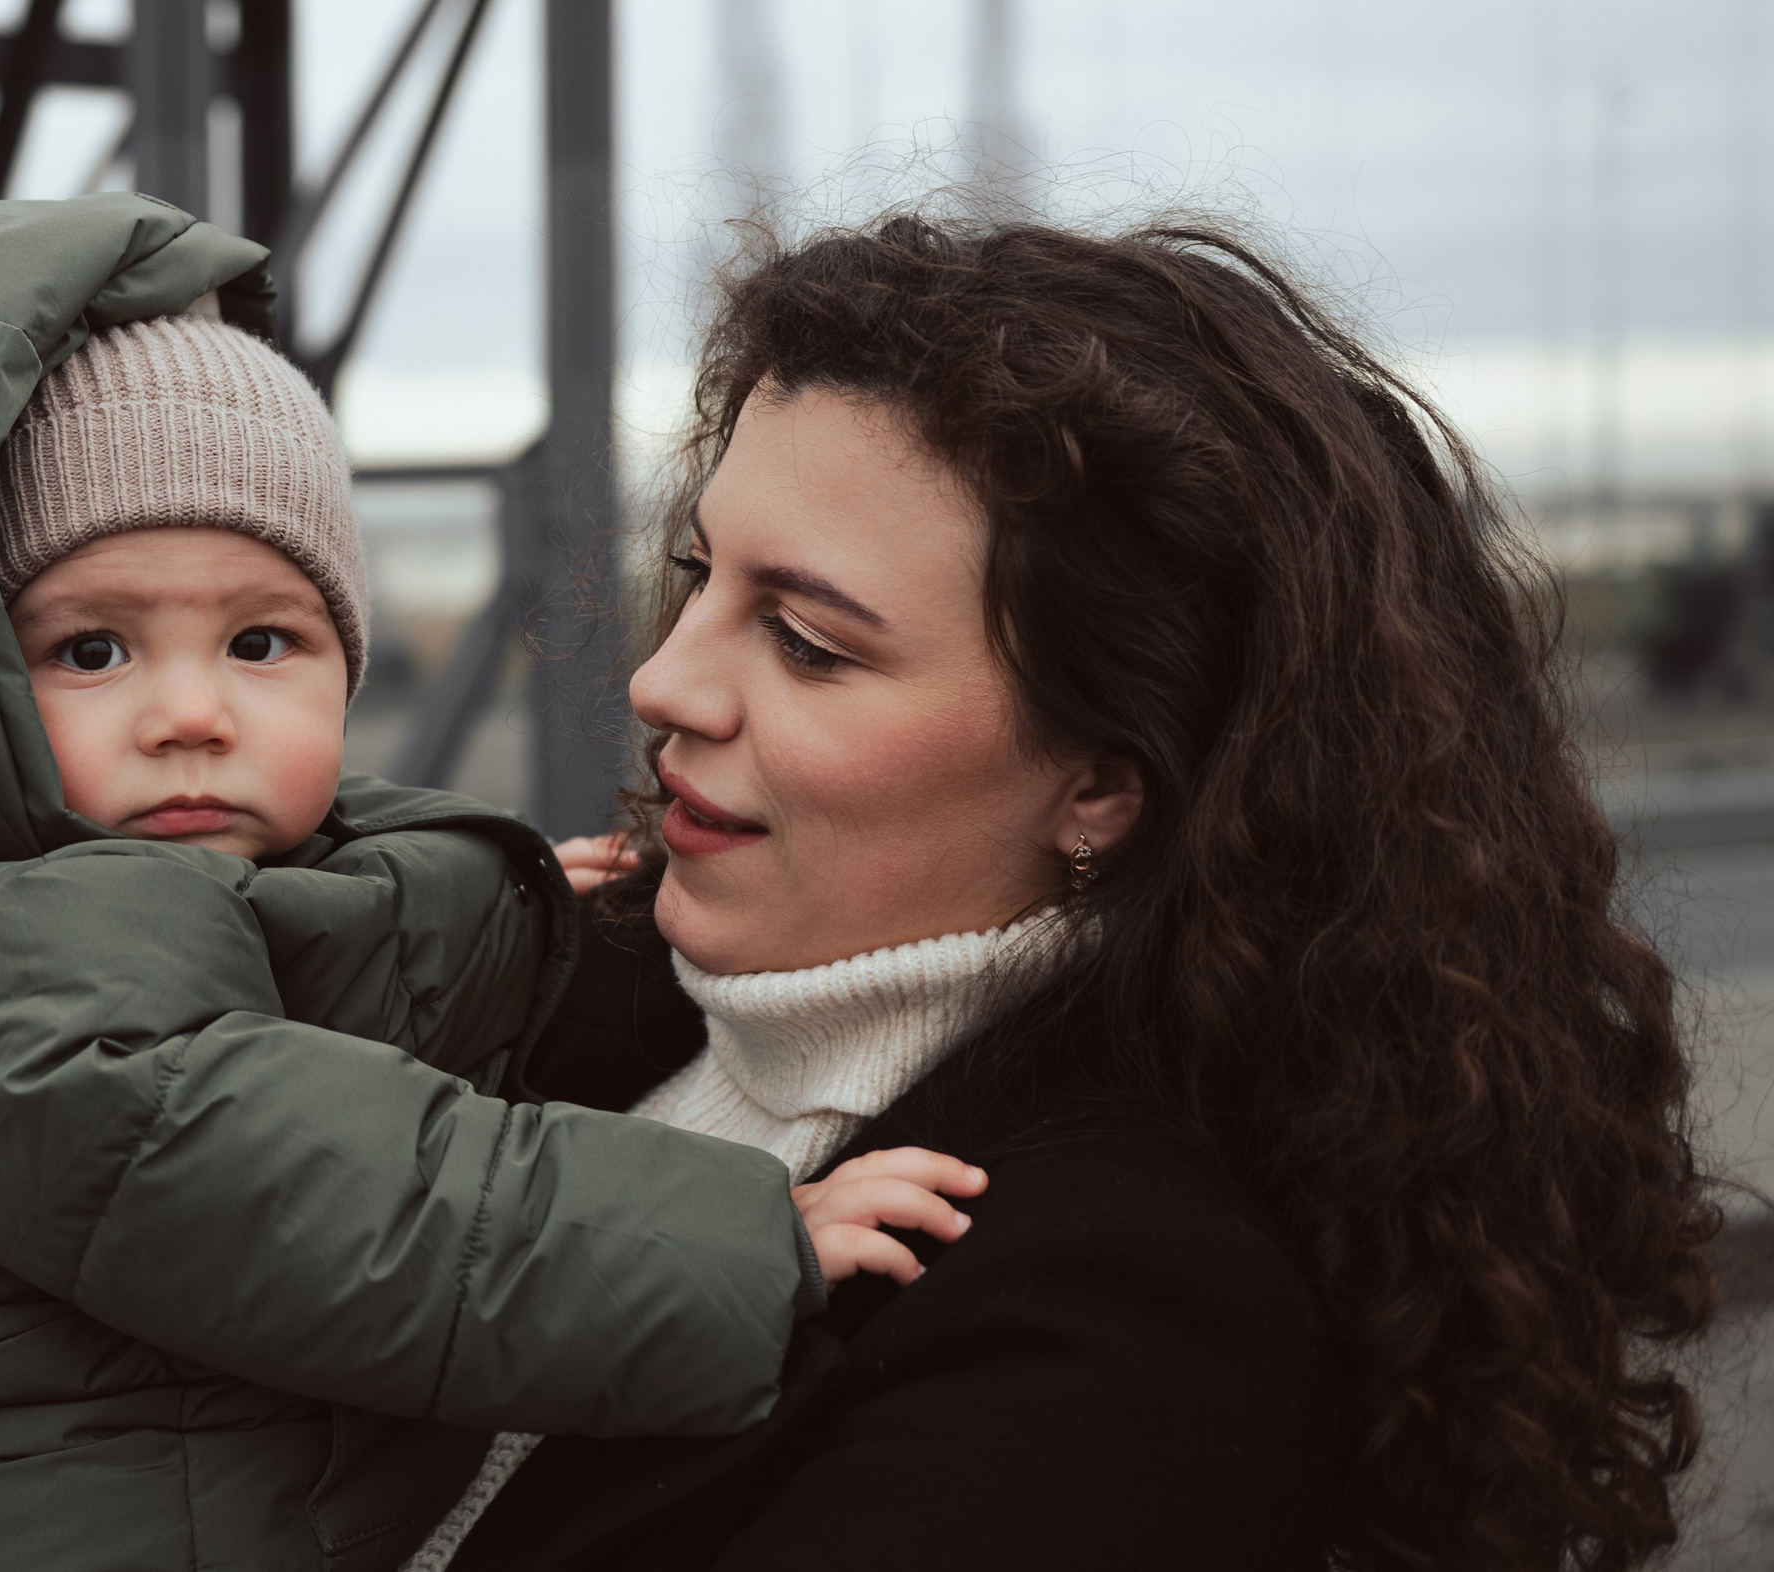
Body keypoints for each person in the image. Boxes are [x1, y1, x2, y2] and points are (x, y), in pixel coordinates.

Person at [0, 195, 975, 1572]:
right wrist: (741, 1245)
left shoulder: (118, 882)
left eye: (262, 640)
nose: (191, 714)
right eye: (91, 651)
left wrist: (506, 913)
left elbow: (302, 947)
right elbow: (343, 1200)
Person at [430, 214, 1724, 1572]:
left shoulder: (1119, 1329)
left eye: (807, 642)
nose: (664, 683)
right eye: (700, 571)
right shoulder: (545, 973)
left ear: (1103, 782)